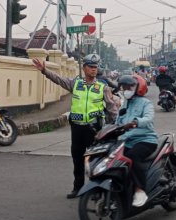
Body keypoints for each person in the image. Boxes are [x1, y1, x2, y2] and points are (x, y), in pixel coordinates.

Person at [33, 53, 119, 199]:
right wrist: (44, 71)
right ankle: (77, 188)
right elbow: (59, 80)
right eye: (90, 67)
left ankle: (96, 190)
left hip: (94, 129)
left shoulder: (102, 87)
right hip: (77, 129)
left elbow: (112, 108)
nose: (93, 69)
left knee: (94, 160)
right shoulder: (76, 84)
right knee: (77, 160)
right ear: (84, 68)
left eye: (95, 67)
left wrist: (115, 126)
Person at [115, 74, 158, 207]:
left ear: (138, 87)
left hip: (146, 140)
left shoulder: (146, 103)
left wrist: (135, 122)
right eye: (124, 87)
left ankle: (140, 190)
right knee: (114, 158)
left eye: (129, 86)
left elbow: (149, 118)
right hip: (127, 140)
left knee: (132, 156)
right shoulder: (125, 104)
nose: (126, 89)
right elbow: (117, 122)